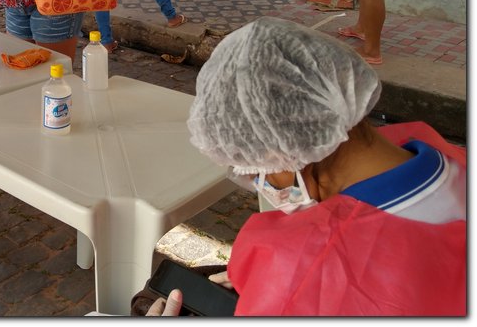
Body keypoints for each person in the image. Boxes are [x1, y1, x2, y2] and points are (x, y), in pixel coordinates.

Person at [149, 17, 464, 317]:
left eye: (255, 172)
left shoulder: (308, 270)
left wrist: (286, 286)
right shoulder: (442, 153)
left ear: (281, 148)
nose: (262, 184)